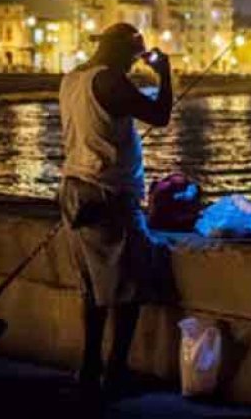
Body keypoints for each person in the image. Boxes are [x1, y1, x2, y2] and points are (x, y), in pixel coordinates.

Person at [57, 22, 173, 401]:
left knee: (92, 291)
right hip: (109, 195)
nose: (133, 64)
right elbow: (159, 115)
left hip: (74, 189)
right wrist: (165, 75)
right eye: (133, 56)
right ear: (121, 51)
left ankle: (89, 368)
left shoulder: (72, 79)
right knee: (128, 289)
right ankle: (115, 372)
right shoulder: (109, 81)